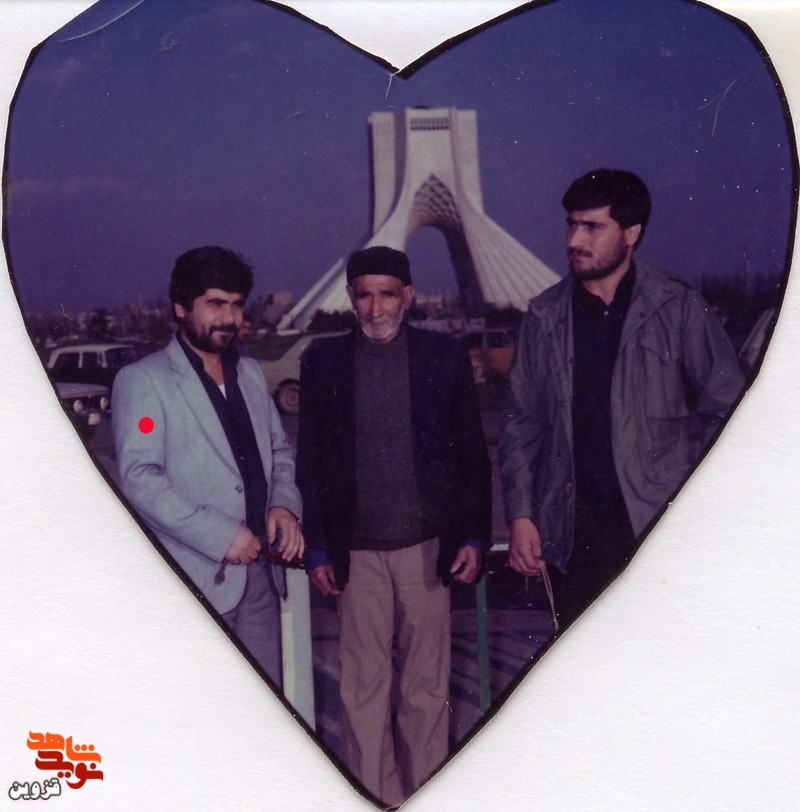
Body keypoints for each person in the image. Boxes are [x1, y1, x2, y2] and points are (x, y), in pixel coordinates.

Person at [499, 169, 745, 630]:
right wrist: (521, 514)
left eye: (592, 227)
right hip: (571, 537)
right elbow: (520, 423)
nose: (574, 240)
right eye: (572, 224)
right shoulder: (544, 315)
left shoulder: (676, 307)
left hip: (654, 532)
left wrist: (698, 506)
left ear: (631, 233)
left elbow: (729, 411)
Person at [296, 246, 491, 806]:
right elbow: (310, 461)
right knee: (362, 691)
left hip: (426, 552)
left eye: (386, 294)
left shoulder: (443, 357)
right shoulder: (323, 361)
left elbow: (472, 455)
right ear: (350, 297)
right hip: (356, 557)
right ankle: (373, 797)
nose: (375, 308)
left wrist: (473, 536)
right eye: (364, 295)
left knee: (425, 691)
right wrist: (318, 547)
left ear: (408, 295)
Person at [112, 246, 303, 688]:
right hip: (194, 581)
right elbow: (140, 478)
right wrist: (220, 535)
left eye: (236, 305)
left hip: (261, 580)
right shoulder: (144, 381)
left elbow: (279, 452)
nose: (229, 318)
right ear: (181, 307)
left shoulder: (250, 373)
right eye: (215, 304)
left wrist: (283, 506)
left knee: (263, 708)